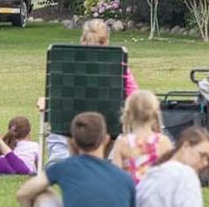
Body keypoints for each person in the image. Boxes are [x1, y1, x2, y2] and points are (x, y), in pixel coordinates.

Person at [16, 111, 136, 207]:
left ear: (72, 141)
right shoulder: (124, 178)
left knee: (43, 195)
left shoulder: (66, 168)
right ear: (106, 139)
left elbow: (23, 194)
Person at [40, 19, 139, 166]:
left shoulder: (64, 62)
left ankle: (74, 164)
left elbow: (56, 95)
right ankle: (98, 165)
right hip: (108, 131)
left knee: (63, 123)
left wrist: (46, 100)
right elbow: (135, 97)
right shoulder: (118, 66)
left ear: (82, 40)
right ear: (106, 41)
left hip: (69, 128)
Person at [109, 90, 173, 183]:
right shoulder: (163, 142)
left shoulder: (123, 143)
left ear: (129, 114)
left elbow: (115, 178)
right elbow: (170, 176)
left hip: (131, 195)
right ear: (155, 114)